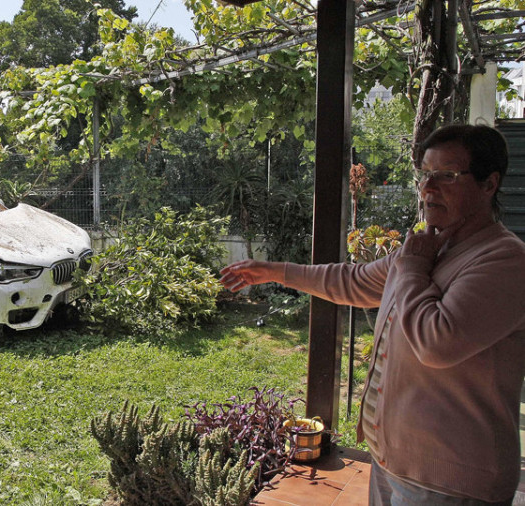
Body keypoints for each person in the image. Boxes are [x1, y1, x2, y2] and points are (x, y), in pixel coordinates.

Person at [219, 124, 525, 505]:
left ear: (489, 183)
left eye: (447, 175)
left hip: (450, 482)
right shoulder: (431, 248)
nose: (429, 188)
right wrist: (275, 271)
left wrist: (413, 267)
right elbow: (354, 281)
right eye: (425, 175)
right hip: (394, 464)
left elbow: (437, 343)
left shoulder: (504, 259)